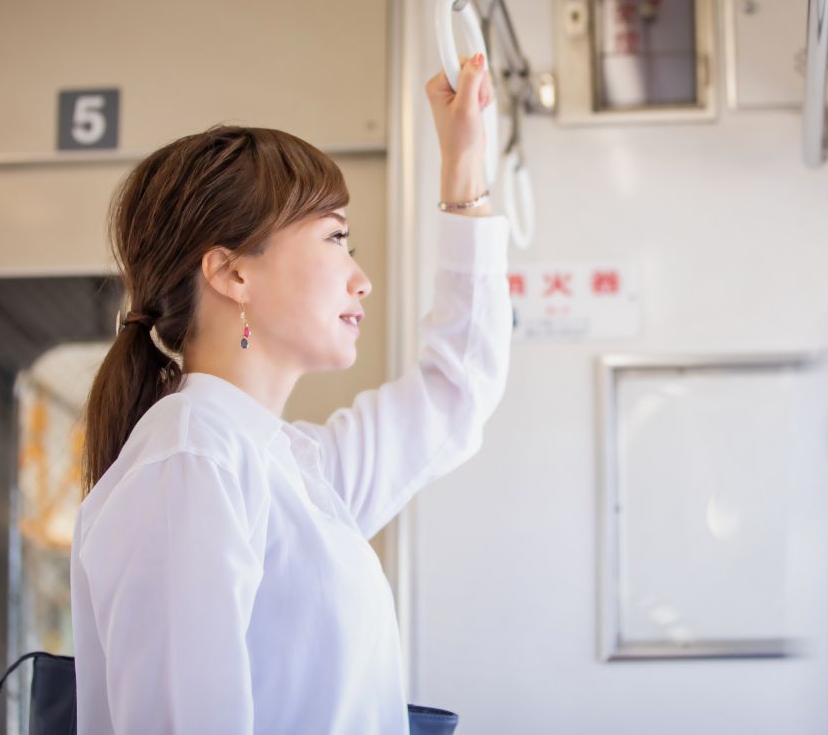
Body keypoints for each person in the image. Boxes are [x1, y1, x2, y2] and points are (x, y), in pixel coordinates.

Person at [69, 52, 510, 734]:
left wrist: (464, 170)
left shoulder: (293, 467)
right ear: (231, 274)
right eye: (336, 237)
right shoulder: (191, 462)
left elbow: (457, 391)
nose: (360, 279)